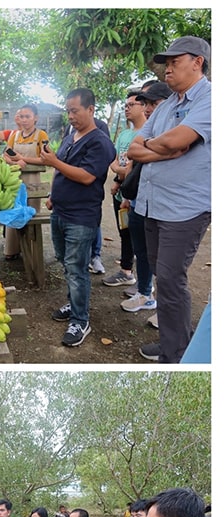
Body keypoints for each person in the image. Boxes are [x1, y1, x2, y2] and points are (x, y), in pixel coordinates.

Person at [126, 37, 211, 364]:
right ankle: (172, 342)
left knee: (172, 279)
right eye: (167, 61)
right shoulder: (169, 106)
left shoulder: (210, 99)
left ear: (198, 62)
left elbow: (179, 139)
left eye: (176, 60)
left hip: (184, 209)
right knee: (164, 276)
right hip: (153, 205)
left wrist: (159, 146)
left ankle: (175, 356)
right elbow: (136, 147)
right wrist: (166, 150)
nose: (168, 67)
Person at [42, 88, 116, 347]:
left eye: (75, 111)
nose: (70, 116)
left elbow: (86, 176)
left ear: (91, 109)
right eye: (68, 111)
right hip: (60, 211)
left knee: (77, 268)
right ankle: (74, 303)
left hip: (81, 217)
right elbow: (59, 165)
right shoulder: (70, 135)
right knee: (65, 261)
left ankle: (81, 320)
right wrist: (52, 193)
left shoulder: (100, 142)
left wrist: (54, 163)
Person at [120, 82, 172, 319]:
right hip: (140, 200)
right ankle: (144, 293)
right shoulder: (147, 130)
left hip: (166, 206)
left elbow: (175, 151)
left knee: (166, 261)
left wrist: (147, 148)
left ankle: (166, 308)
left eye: (154, 103)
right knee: (142, 252)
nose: (149, 108)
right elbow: (133, 152)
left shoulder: (177, 126)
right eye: (146, 104)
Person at [0, 104, 50, 261]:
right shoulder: (14, 135)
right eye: (22, 116)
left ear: (36, 118)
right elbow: (6, 154)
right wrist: (14, 163)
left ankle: (32, 250)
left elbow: (45, 159)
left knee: (31, 213)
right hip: (14, 180)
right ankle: (12, 249)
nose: (24, 120)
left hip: (33, 181)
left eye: (28, 116)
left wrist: (23, 159)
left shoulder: (41, 136)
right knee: (13, 211)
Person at [102, 92, 142, 290]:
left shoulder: (146, 133)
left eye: (132, 104)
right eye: (126, 105)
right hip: (121, 191)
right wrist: (119, 176)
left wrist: (122, 173)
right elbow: (115, 160)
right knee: (124, 231)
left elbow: (136, 166)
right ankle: (127, 270)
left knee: (137, 235)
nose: (127, 108)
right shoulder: (125, 134)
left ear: (144, 106)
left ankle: (130, 272)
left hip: (136, 193)